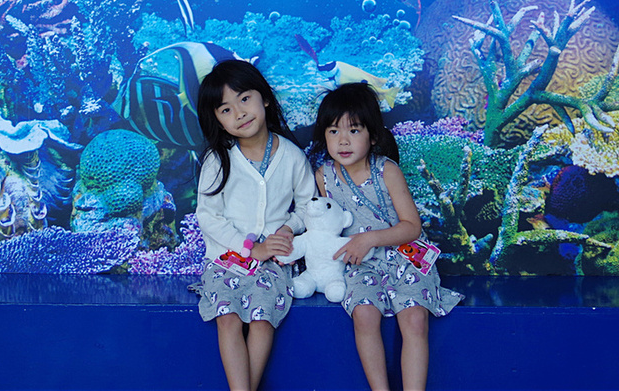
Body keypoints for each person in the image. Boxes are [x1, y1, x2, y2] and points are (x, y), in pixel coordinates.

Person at [312, 83, 462, 391]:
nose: (343, 141)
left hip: (404, 257)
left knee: (415, 319)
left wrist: (369, 239)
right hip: (361, 264)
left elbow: (412, 227)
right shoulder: (322, 176)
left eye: (354, 131)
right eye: (333, 131)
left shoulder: (387, 170)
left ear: (373, 135)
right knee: (364, 316)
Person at [195, 59, 316, 391]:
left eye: (244, 99)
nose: (239, 113)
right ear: (217, 120)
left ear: (263, 98)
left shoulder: (292, 156)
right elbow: (208, 216)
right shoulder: (217, 160)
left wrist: (288, 228)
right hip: (227, 258)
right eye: (225, 109)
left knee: (263, 318)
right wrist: (251, 247)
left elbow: (309, 206)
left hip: (274, 262)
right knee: (228, 316)